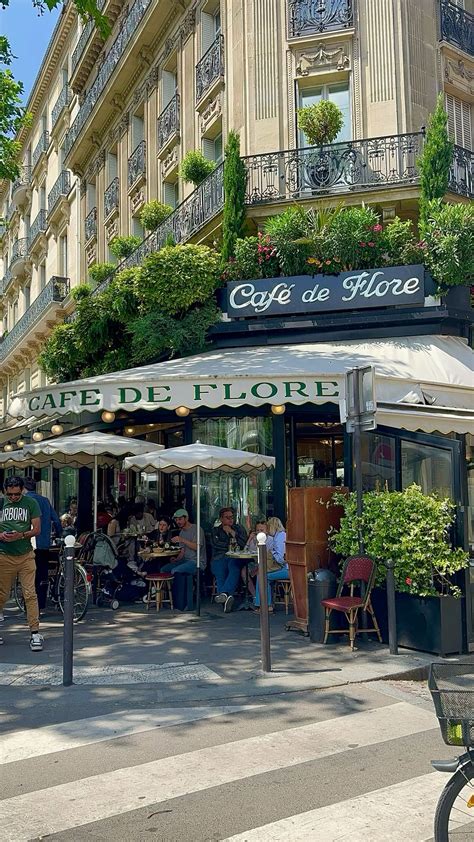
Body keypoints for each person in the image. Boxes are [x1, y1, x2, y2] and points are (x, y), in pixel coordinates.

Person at [0, 476, 43, 651]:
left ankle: (35, 632)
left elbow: (37, 529)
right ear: (5, 491)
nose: (13, 498)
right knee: (2, 595)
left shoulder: (31, 503)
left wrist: (21, 535)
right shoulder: (1, 504)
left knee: (30, 594)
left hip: (25, 555)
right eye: (10, 494)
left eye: (16, 494)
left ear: (22, 490)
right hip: (4, 555)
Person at [23, 478, 62, 613]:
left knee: (28, 576)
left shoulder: (23, 501)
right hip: (44, 544)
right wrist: (59, 535)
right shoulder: (45, 500)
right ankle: (40, 605)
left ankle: (30, 606)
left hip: (27, 544)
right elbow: (56, 520)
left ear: (23, 488)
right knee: (42, 575)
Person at [161, 509, 206, 610]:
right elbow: (182, 551)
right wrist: (176, 559)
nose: (178, 522)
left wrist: (182, 540)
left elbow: (197, 547)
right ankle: (168, 599)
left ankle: (181, 602)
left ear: (186, 518)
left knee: (175, 570)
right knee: (164, 569)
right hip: (185, 560)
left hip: (197, 561)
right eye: (176, 520)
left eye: (180, 519)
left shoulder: (197, 529)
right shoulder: (181, 532)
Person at [211, 507, 247, 613]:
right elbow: (216, 544)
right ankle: (226, 597)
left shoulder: (239, 529)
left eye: (232, 517)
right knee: (220, 573)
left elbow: (244, 544)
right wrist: (230, 544)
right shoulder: (215, 530)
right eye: (227, 517)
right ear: (221, 519)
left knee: (234, 567)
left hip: (234, 557)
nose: (230, 520)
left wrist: (232, 532)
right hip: (219, 558)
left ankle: (223, 595)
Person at [254, 517, 288, 612]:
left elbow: (281, 559)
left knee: (263, 576)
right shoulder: (279, 536)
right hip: (286, 567)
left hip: (286, 569)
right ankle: (264, 604)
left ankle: (265, 605)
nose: (267, 530)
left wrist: (272, 552)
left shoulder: (280, 537)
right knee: (261, 574)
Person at [241, 518, 267, 599]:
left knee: (259, 571)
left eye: (262, 530)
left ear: (266, 531)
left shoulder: (269, 539)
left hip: (266, 563)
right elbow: (245, 551)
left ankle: (261, 597)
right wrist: (249, 539)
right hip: (255, 562)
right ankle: (255, 596)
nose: (259, 532)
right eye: (257, 530)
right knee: (243, 571)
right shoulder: (253, 539)